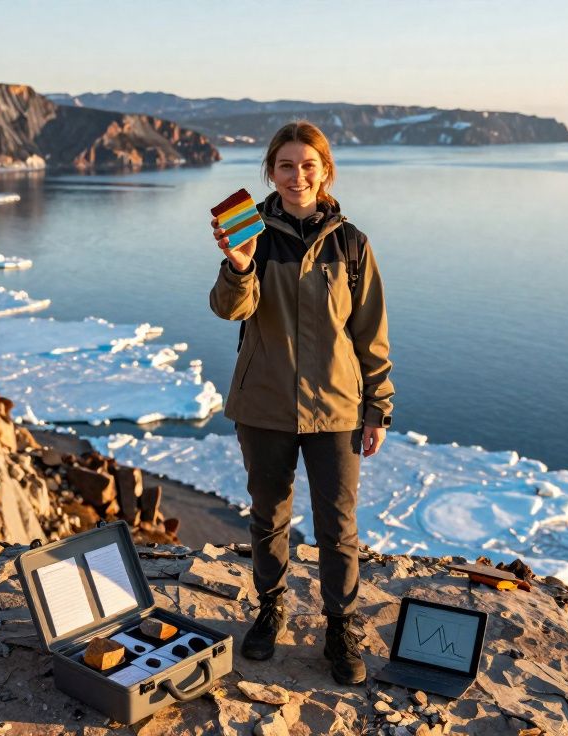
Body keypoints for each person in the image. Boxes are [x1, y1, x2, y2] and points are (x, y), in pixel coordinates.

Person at [208, 121, 393, 685]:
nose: (297, 176)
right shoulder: (251, 235)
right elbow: (230, 310)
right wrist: (240, 265)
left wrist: (378, 407)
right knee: (269, 517)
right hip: (264, 405)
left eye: (308, 165)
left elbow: (371, 334)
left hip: (336, 408)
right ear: (271, 172)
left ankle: (341, 626)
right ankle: (271, 608)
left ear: (325, 170)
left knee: (338, 525)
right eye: (285, 165)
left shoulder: (351, 243)